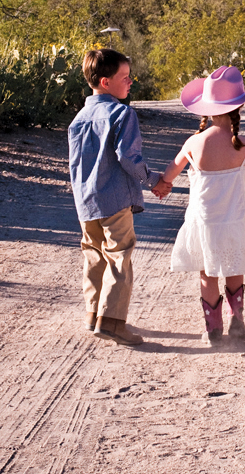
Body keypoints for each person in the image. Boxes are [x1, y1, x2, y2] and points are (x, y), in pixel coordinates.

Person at [161, 66, 245, 346]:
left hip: (204, 223)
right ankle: (238, 321)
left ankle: (212, 328)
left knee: (207, 273)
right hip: (234, 221)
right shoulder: (242, 145)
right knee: (234, 268)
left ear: (206, 110)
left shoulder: (194, 143)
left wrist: (161, 184)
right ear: (239, 108)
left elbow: (170, 173)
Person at [68, 48, 171, 346]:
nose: (130, 83)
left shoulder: (79, 118)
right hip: (114, 199)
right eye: (124, 78)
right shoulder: (121, 113)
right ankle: (112, 321)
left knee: (94, 256)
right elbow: (128, 156)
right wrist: (153, 180)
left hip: (86, 202)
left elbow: (76, 164)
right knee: (119, 256)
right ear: (105, 82)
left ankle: (93, 314)